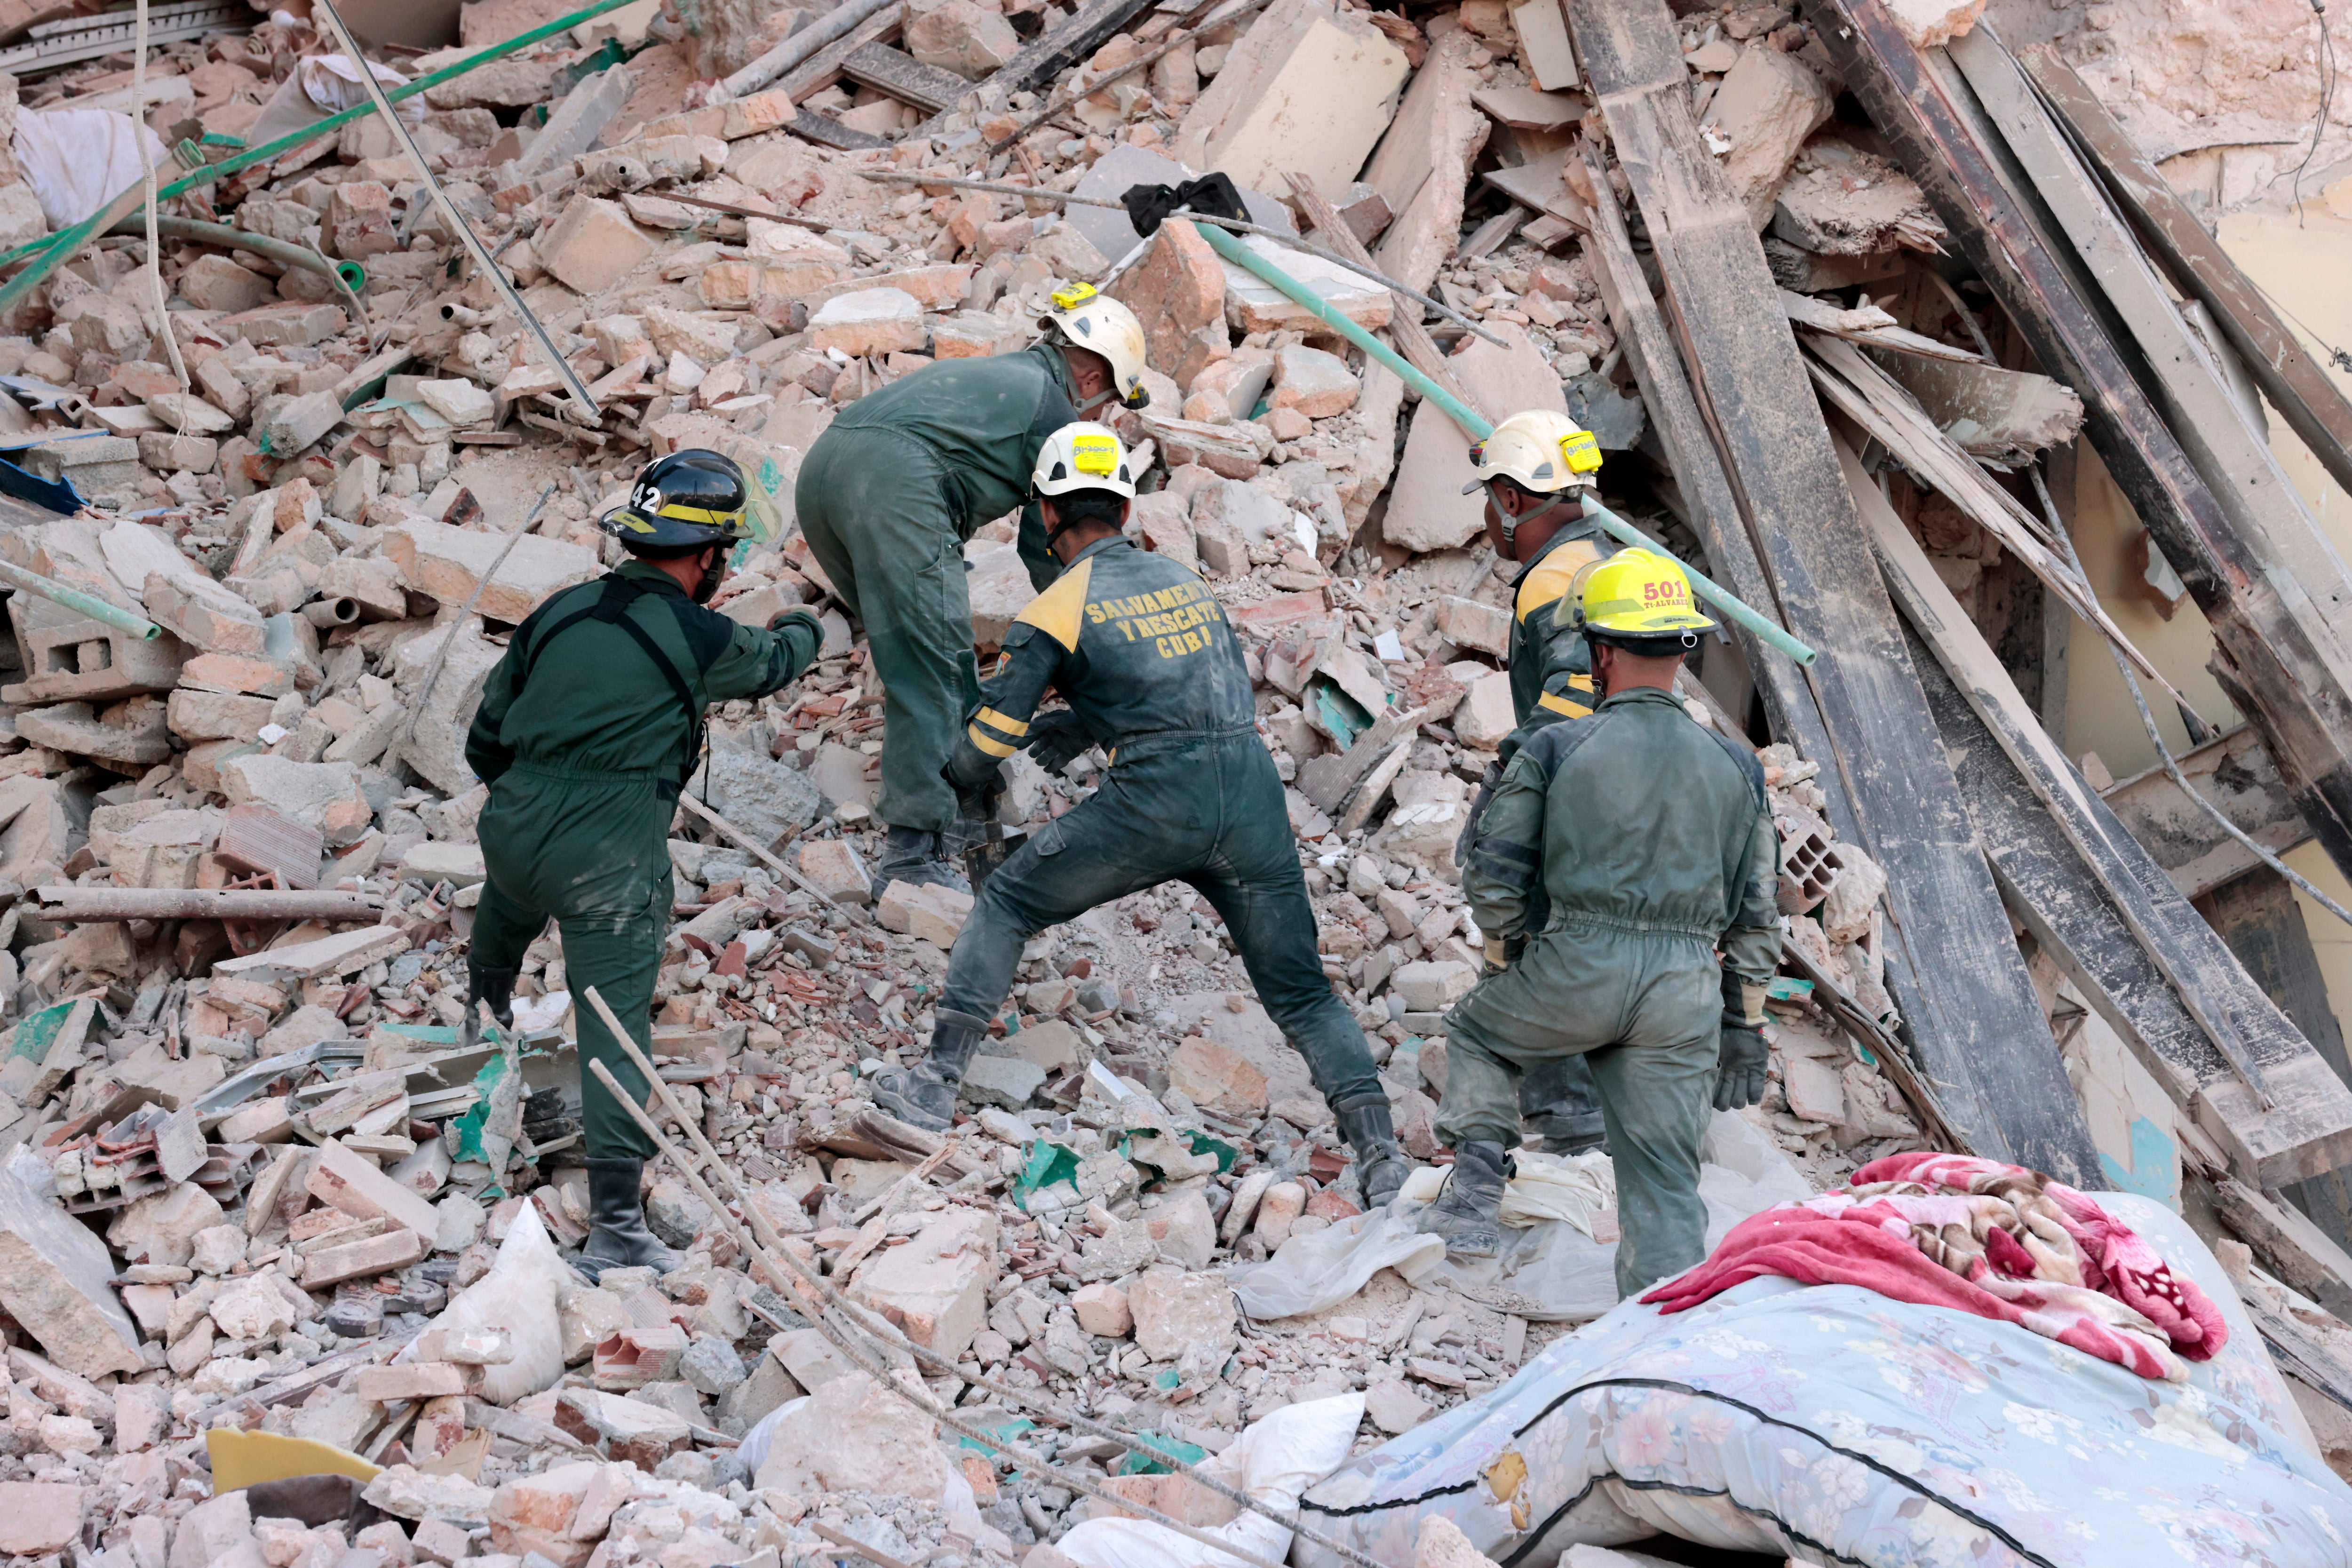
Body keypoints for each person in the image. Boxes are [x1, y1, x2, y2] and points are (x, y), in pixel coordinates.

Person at [869, 424, 1409, 1206]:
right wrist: (1088, 720)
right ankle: (1382, 1155)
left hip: (1159, 803)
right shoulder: (1184, 580)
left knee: (1014, 901)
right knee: (1302, 994)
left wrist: (955, 775)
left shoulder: (1056, 605)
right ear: (1125, 506)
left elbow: (989, 742)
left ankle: (933, 1084)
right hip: (1252, 796)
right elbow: (1195, 680)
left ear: (1049, 516)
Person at [461, 450, 826, 1274]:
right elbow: (772, 666)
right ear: (708, 557)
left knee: (509, 905)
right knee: (613, 1022)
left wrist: (531, 797)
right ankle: (617, 1223)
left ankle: (481, 1018)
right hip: (610, 848)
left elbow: (487, 731)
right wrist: (805, 623)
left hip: (513, 826)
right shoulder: (700, 633)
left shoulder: (560, 610)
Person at [1420, 547, 1780, 1297]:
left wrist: (1515, 954)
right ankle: (1659, 1342)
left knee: (1478, 1032)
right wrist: (1744, 1023)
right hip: (1685, 993)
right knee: (1665, 1188)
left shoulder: (1555, 746)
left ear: (1599, 651)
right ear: (1685, 649)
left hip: (1579, 963)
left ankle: (1476, 1196)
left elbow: (1494, 874)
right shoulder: (1736, 765)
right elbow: (1755, 913)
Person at [795, 282, 1152, 893]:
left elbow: (1036, 546)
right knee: (929, 662)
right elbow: (1055, 542)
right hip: (894, 485)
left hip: (826, 474)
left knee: (936, 645)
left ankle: (970, 806)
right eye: (1110, 401)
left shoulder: (1006, 380)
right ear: (1092, 377)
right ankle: (912, 856)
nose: (1103, 417)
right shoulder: (1055, 413)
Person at [1458, 410, 1614, 1156]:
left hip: (1579, 788)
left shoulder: (1551, 578)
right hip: (1638, 782)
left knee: (1544, 939)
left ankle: (1574, 1123)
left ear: (1514, 500)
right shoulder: (1607, 557)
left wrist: (1514, 783)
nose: (1488, 518)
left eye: (1490, 496)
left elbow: (1570, 693)